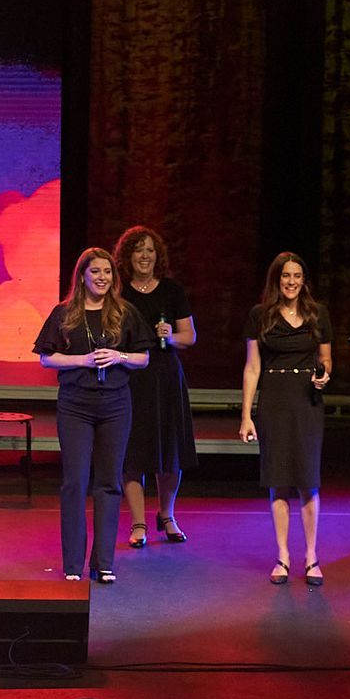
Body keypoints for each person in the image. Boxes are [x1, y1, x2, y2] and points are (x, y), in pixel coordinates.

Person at [34, 249, 149, 582]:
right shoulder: (65, 313)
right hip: (76, 405)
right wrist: (81, 361)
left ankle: (104, 563)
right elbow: (46, 358)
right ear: (82, 276)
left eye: (107, 272)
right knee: (75, 481)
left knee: (109, 482)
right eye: (96, 271)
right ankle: (73, 565)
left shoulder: (124, 312)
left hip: (115, 404)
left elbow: (143, 358)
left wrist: (119, 356)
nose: (102, 278)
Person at [239, 252, 333, 586]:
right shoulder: (260, 315)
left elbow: (326, 359)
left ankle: (311, 556)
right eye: (285, 276)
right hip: (274, 401)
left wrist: (324, 375)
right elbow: (253, 367)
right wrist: (246, 415)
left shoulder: (317, 313)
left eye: (297, 276)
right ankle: (282, 555)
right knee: (278, 479)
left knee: (308, 480)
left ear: (304, 280)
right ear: (276, 279)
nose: (291, 282)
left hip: (307, 402)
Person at [111, 225, 196, 548]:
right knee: (133, 452)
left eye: (150, 250)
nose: (145, 256)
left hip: (165, 376)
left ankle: (167, 515)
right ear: (127, 256)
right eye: (138, 250)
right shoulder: (120, 293)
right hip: (131, 377)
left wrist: (170, 336)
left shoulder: (172, 290)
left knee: (169, 449)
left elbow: (189, 336)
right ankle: (138, 523)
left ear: (158, 255)